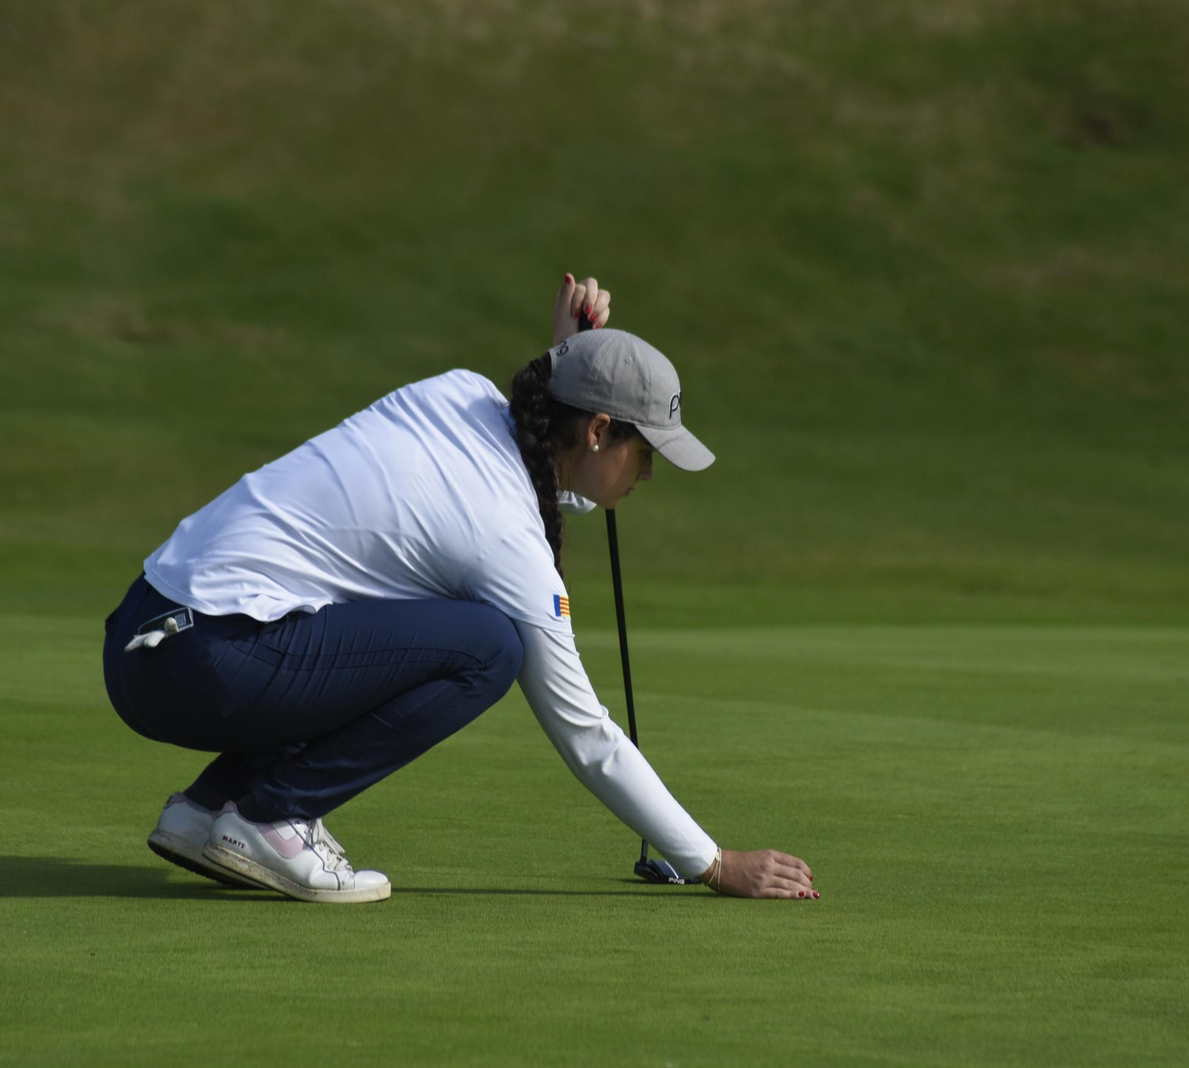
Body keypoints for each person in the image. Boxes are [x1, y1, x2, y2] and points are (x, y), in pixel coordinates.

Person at [101, 274, 816, 904]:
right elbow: (586, 735)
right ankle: (271, 819)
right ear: (598, 430)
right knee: (488, 647)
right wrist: (712, 862)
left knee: (403, 615)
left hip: (146, 641)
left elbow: (509, 485)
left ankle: (210, 808)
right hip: (209, 663)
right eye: (646, 451)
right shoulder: (505, 541)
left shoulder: (459, 394)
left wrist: (568, 358)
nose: (649, 475)